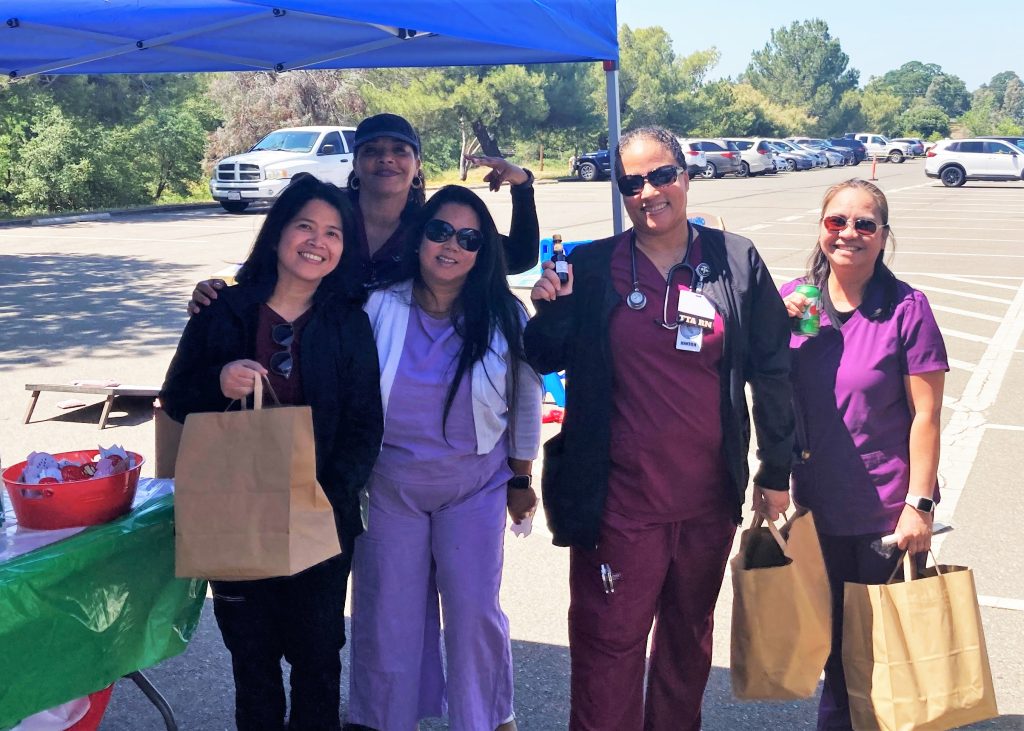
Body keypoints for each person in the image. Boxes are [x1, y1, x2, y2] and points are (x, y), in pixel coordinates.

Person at [523, 126, 794, 731]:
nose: (648, 192)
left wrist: (776, 469)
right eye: (632, 182)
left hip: (706, 504)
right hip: (620, 504)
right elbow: (541, 353)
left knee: (687, 646)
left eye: (661, 174)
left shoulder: (734, 259)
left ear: (685, 173)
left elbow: (772, 369)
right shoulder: (593, 266)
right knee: (607, 650)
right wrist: (553, 309)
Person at [160, 174, 384, 731]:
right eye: (305, 225)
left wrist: (326, 500)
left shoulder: (348, 322)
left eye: (333, 232)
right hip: (235, 512)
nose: (318, 241)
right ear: (278, 233)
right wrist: (220, 379)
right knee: (252, 660)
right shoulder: (224, 310)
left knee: (317, 656)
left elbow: (364, 425)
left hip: (321, 517)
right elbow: (178, 398)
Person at [345, 185, 542, 731]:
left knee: (474, 613)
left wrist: (522, 477)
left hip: (473, 488)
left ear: (482, 252)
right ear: (419, 237)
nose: (451, 245)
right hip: (389, 490)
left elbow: (526, 399)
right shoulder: (380, 303)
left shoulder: (504, 315)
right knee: (388, 615)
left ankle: (488, 717)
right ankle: (382, 718)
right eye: (440, 231)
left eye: (469, 237)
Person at [779, 178, 947, 731]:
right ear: (821, 229)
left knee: (880, 653)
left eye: (864, 224)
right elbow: (770, 389)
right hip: (817, 509)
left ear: (882, 237)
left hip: (885, 516)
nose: (849, 233)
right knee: (833, 647)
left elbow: (925, 414)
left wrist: (919, 505)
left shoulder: (906, 310)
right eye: (837, 222)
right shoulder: (799, 304)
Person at [189, 113, 539, 312]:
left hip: (398, 375)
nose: (386, 158)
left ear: (417, 164)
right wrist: (218, 295)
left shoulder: (432, 229)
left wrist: (522, 185)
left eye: (400, 150)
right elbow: (264, 272)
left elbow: (520, 258)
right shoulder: (325, 219)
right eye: (372, 150)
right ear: (355, 163)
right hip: (314, 361)